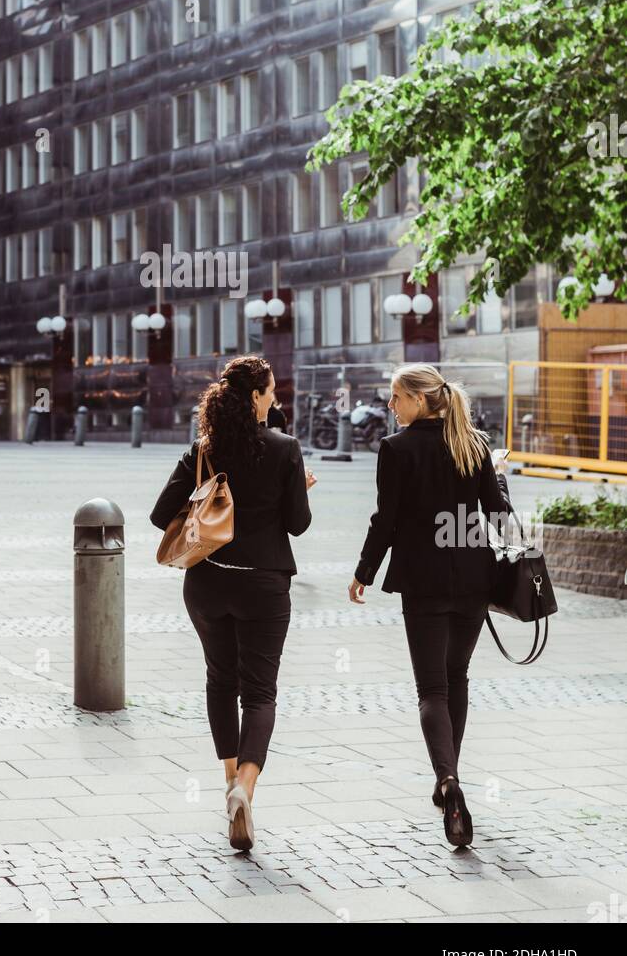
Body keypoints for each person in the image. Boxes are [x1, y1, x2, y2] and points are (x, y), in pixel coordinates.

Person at [150, 355, 315, 853]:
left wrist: (207, 498)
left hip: (206, 584)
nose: (273, 400)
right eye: (269, 392)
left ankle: (227, 782)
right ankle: (246, 785)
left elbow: (161, 516)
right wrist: (297, 489)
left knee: (220, 681)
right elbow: (298, 524)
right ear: (254, 397)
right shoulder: (285, 448)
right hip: (264, 585)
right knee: (260, 693)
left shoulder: (204, 449)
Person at [348, 362, 512, 850]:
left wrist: (363, 572)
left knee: (431, 689)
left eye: (396, 398)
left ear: (420, 400)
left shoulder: (396, 449)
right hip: (474, 581)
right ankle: (450, 779)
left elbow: (386, 520)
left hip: (424, 582)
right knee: (455, 678)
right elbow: (498, 515)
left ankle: (448, 781)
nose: (391, 406)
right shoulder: (473, 444)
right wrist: (498, 479)